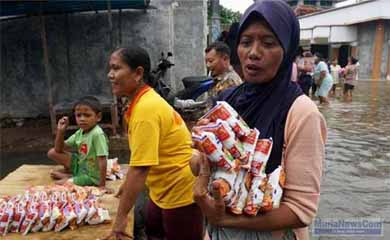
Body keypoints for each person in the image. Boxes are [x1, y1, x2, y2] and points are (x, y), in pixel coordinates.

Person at [192, 1, 327, 240]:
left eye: (268, 43)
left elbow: (300, 210)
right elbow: (199, 168)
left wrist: (226, 219)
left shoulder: (302, 113)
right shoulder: (226, 100)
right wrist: (201, 152)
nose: (253, 52)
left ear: (287, 49)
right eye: (246, 42)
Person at [102, 46, 203, 240]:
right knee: (152, 228)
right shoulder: (142, 102)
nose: (110, 75)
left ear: (138, 73)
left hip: (179, 189)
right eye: (110, 69)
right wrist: (126, 185)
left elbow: (140, 169)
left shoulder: (145, 110)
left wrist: (121, 217)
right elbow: (141, 159)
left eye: (116, 68)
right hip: (162, 187)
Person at [47, 96, 109, 189]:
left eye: (87, 115)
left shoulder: (97, 134)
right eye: (78, 115)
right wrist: (60, 131)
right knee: (52, 152)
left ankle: (73, 179)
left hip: (91, 176)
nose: (82, 119)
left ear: (98, 117)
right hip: (81, 165)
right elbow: (58, 149)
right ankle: (74, 177)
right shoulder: (80, 132)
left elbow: (102, 160)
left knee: (59, 184)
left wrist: (102, 185)